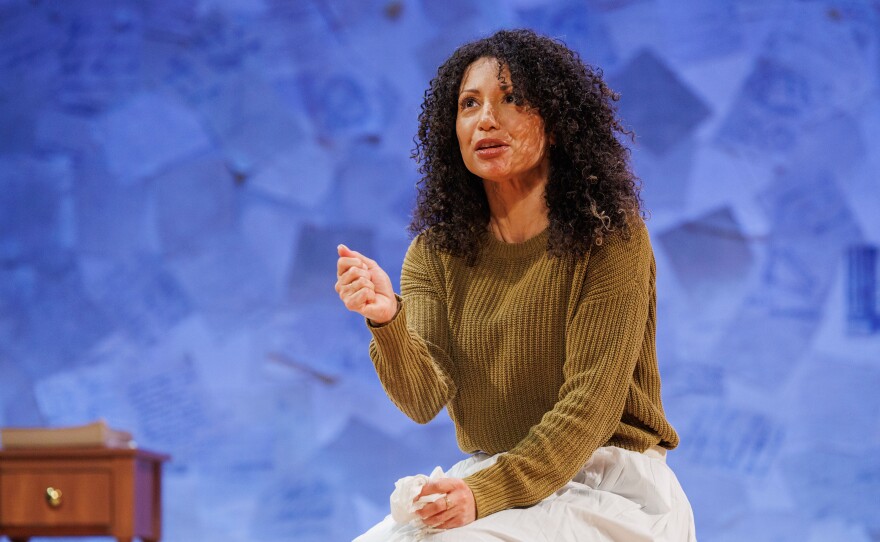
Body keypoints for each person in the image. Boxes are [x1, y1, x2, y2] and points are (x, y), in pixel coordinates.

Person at [335, 29, 696, 541]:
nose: (486, 119)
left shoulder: (609, 238)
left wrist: (483, 493)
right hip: (497, 476)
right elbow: (422, 399)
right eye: (469, 104)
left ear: (557, 124)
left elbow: (589, 408)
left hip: (609, 482)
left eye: (512, 99)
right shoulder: (435, 253)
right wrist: (387, 320)